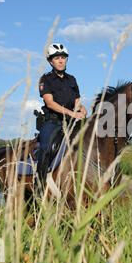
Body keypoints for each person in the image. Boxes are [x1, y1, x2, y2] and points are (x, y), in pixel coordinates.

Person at [36, 43, 87, 187]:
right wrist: (71, 113)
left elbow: (77, 102)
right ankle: (39, 185)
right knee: (46, 149)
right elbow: (50, 103)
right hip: (52, 123)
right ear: (50, 61)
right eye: (57, 58)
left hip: (70, 124)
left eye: (63, 58)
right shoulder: (45, 79)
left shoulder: (72, 79)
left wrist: (82, 109)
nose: (60, 61)